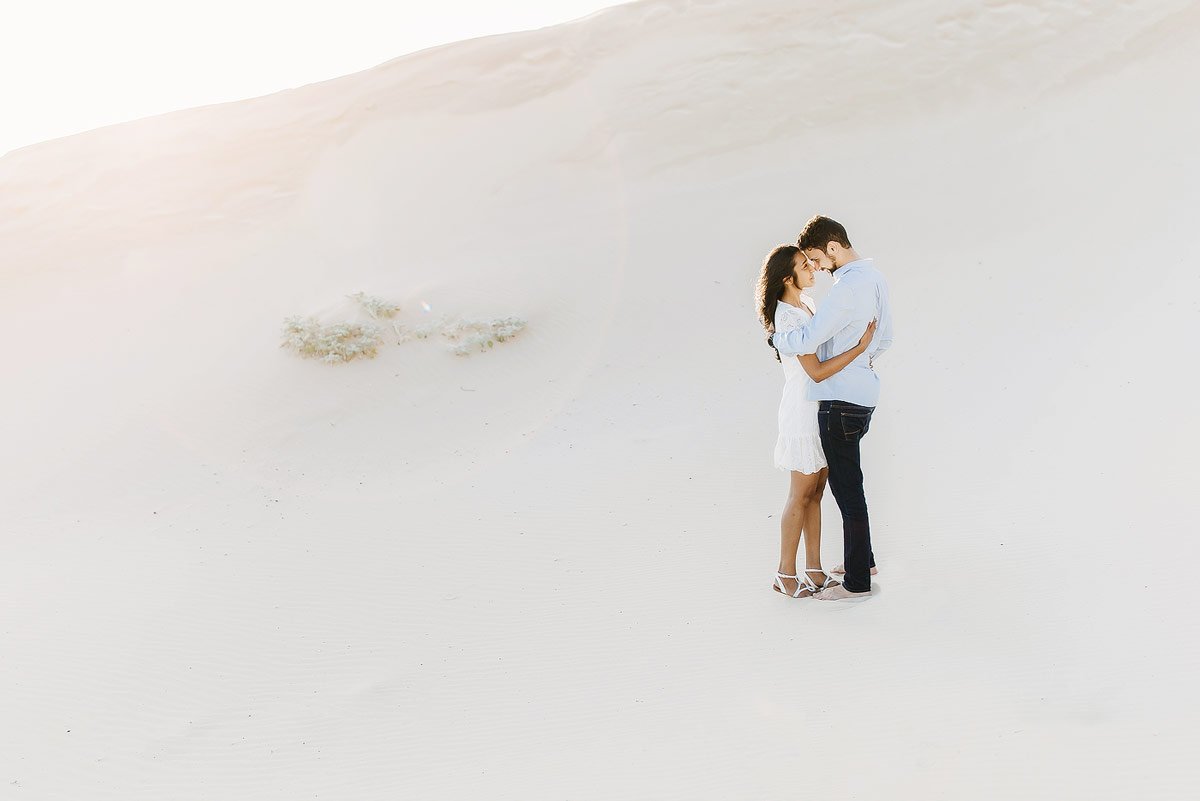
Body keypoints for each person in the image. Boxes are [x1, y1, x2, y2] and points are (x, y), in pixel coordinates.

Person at [770, 216, 893, 601]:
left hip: (836, 400)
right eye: (808, 264)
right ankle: (826, 568)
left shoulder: (841, 291)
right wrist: (862, 358)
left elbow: (808, 340)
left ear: (833, 249)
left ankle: (856, 577)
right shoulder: (875, 279)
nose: (818, 269)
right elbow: (885, 337)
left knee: (842, 489)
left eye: (816, 260)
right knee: (831, 488)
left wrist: (778, 340)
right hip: (856, 396)